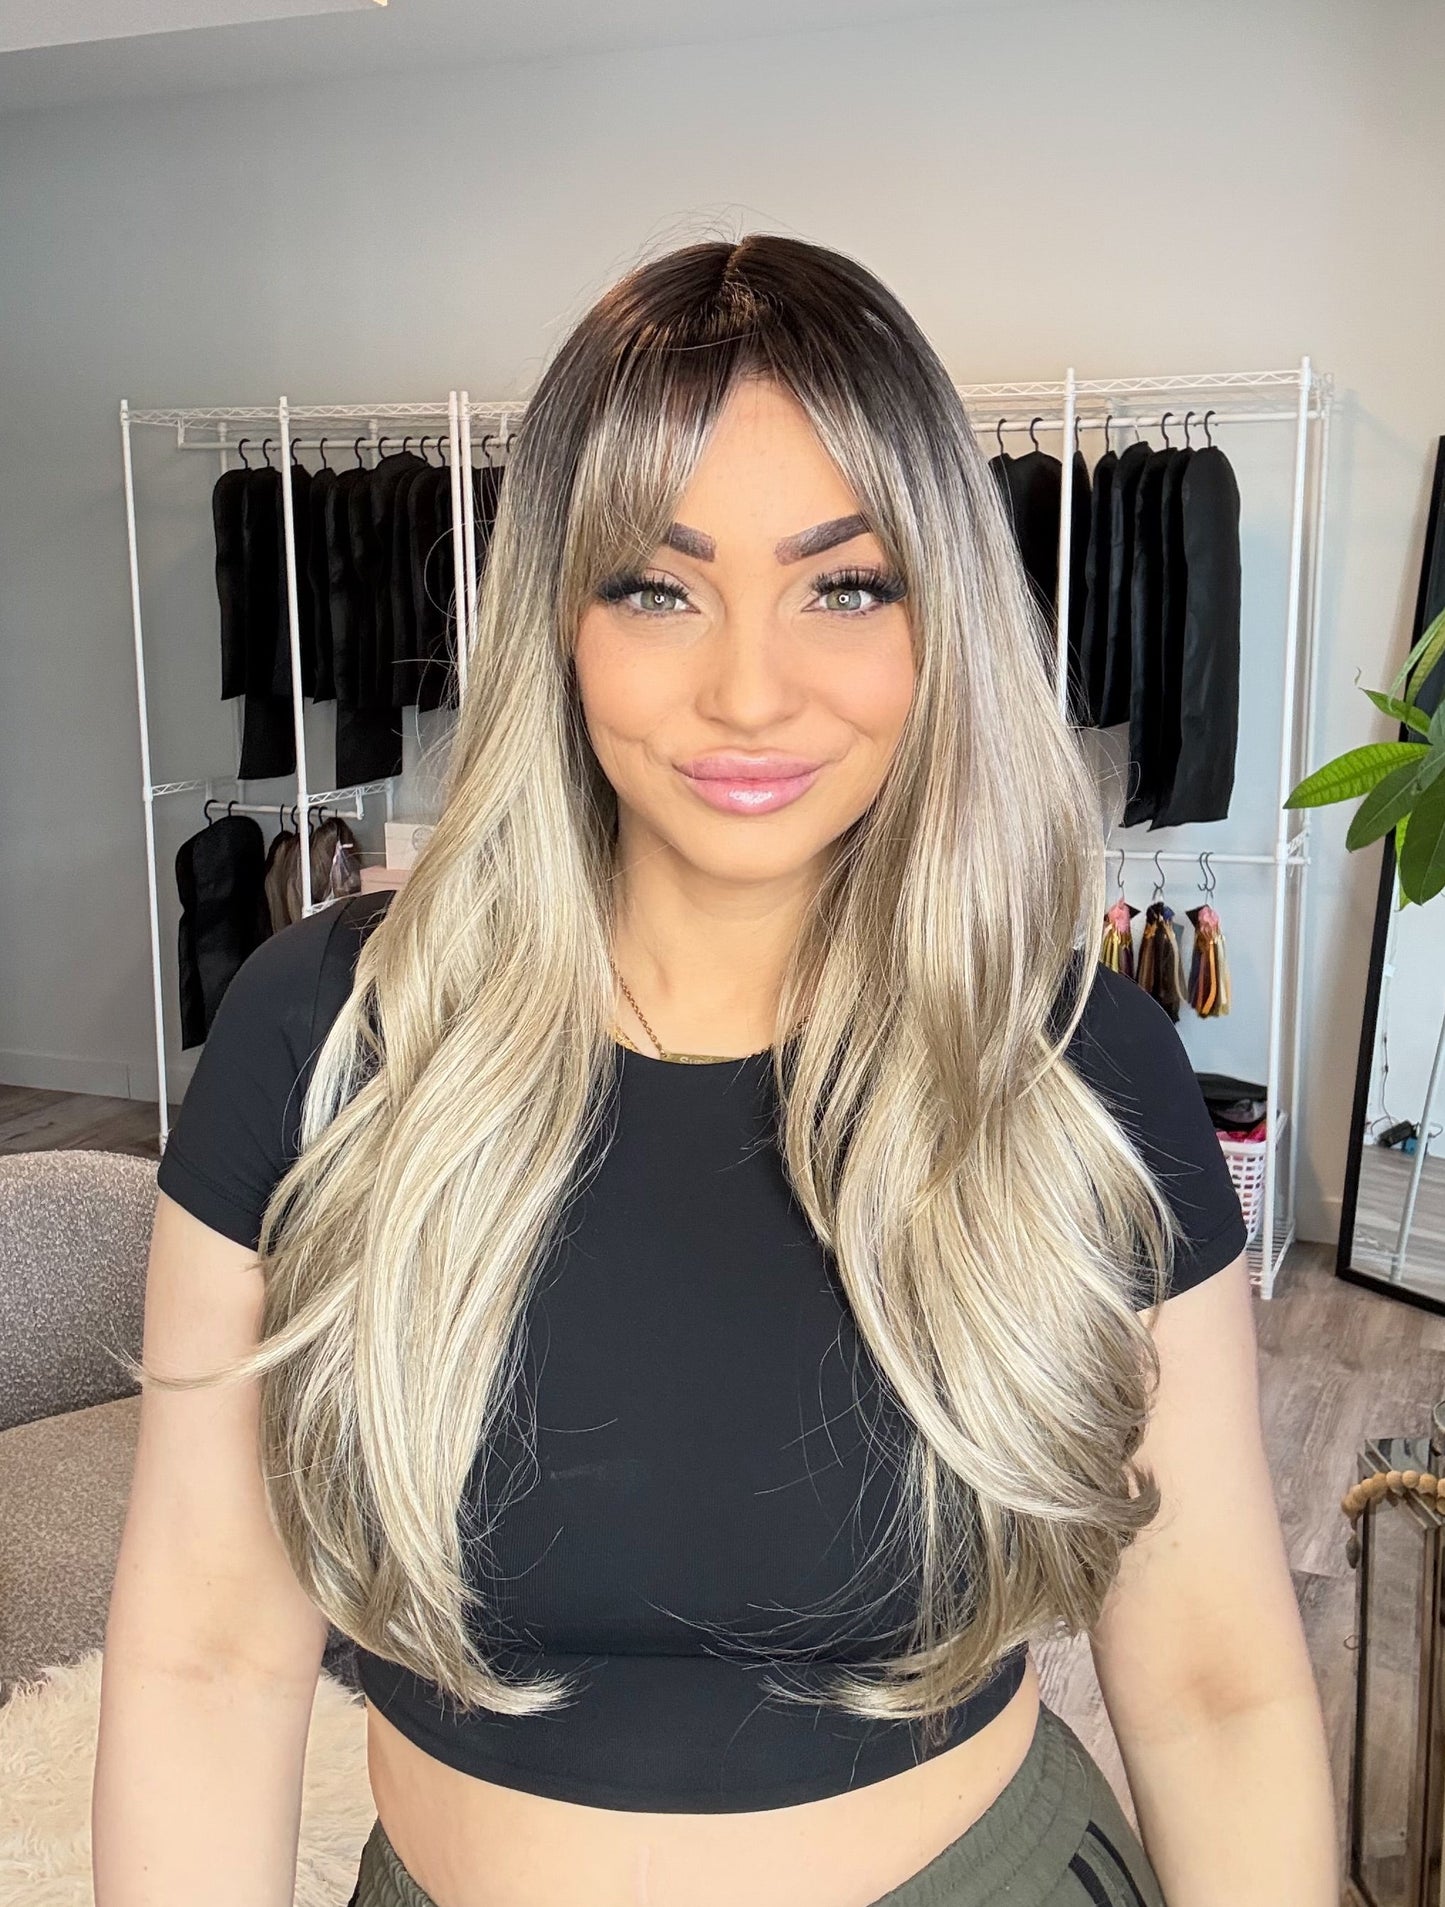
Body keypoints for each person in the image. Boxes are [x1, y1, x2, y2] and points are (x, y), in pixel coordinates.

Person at [93, 234, 1335, 1907]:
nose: (749, 691)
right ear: (559, 617)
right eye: (655, 587)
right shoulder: (323, 1037)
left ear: (937, 616)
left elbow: (1213, 1682)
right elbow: (204, 1659)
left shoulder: (1074, 1065)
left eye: (844, 584)